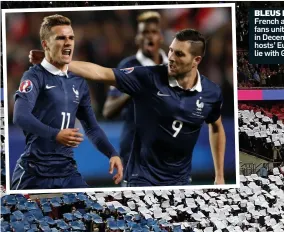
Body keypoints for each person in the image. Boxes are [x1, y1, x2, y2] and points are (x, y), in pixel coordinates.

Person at [65, 28, 226, 187]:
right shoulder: (149, 77)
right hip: (141, 179)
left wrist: (219, 176)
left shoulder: (211, 93)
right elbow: (102, 73)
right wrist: (60, 62)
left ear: (196, 60)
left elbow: (216, 127)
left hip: (180, 181)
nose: (171, 57)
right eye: (171, 51)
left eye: (179, 54)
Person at [12, 14, 122, 190]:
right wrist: (56, 134)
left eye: (71, 37)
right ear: (45, 44)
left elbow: (92, 127)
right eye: (61, 38)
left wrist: (112, 154)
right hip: (35, 171)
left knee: (93, 215)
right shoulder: (34, 76)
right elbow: (20, 116)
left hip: (67, 171)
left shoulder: (79, 82)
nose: (68, 42)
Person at [103, 11, 168, 165]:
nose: (149, 37)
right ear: (137, 38)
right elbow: (108, 111)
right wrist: (131, 93)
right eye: (144, 32)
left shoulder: (173, 66)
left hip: (168, 155)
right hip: (134, 154)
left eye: (154, 32)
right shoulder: (127, 67)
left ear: (161, 36)